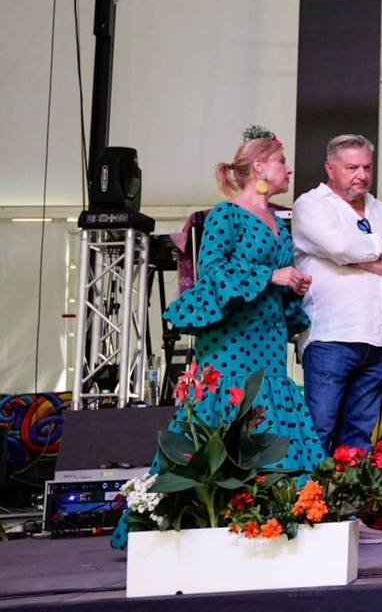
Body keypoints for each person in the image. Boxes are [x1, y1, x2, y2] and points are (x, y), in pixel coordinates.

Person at [113, 127, 322, 549]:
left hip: (266, 334)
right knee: (222, 407)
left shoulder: (279, 223)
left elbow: (269, 278)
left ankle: (278, 511)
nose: (289, 169)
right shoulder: (225, 215)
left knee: (271, 408)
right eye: (282, 161)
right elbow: (214, 273)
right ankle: (181, 513)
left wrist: (290, 285)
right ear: (260, 167)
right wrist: (271, 275)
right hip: (232, 338)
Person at [292, 134, 382, 544]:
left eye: (366, 167)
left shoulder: (378, 207)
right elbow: (339, 245)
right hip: (331, 336)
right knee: (320, 429)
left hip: (376, 337)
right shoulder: (312, 205)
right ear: (331, 168)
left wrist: (381, 262)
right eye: (352, 168)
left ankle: (347, 519)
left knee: (358, 438)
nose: (362, 175)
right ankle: (308, 516)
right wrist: (380, 247)